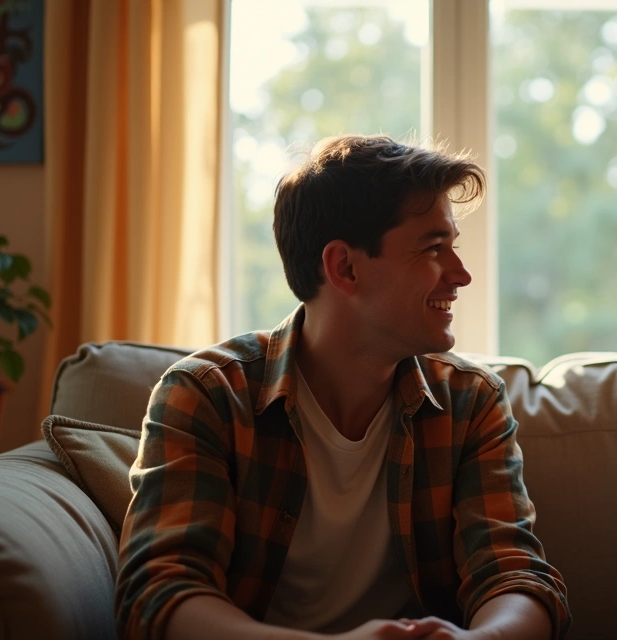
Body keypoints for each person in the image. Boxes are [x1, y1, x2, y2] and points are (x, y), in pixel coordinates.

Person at [116, 135, 570, 640]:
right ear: (345, 267)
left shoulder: (469, 403)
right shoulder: (207, 396)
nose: (461, 275)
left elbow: (514, 576)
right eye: (434, 248)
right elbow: (158, 596)